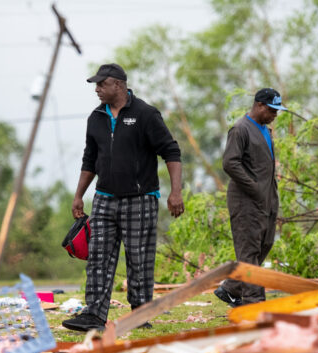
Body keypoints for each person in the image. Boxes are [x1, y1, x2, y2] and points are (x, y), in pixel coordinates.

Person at [62, 63, 185, 332]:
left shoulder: (146, 114)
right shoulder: (95, 117)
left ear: (118, 84)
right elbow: (89, 159)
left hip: (140, 199)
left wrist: (175, 192)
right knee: (98, 256)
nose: (96, 89)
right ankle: (94, 314)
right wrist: (79, 195)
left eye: (101, 84)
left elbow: (171, 152)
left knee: (138, 259)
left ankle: (139, 314)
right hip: (104, 199)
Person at [215, 88, 287, 307]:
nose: (275, 115)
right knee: (249, 251)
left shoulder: (266, 130)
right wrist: (254, 187)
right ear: (259, 106)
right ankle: (253, 302)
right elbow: (230, 163)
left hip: (266, 200)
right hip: (246, 202)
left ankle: (231, 289)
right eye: (272, 110)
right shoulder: (240, 129)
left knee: (264, 244)